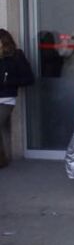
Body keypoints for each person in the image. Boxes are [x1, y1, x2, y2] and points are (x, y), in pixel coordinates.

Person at [0, 29, 35, 168]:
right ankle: (4, 158)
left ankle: (3, 158)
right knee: (4, 128)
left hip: (6, 99)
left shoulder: (16, 55)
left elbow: (28, 78)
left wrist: (7, 81)